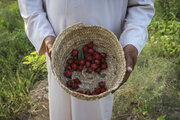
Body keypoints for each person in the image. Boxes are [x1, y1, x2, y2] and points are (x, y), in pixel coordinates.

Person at [18, 0, 155, 120]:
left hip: (106, 49)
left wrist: (132, 41)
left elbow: (141, 5)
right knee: (61, 102)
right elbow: (29, 4)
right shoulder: (60, 51)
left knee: (96, 105)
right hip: (58, 46)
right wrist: (45, 35)